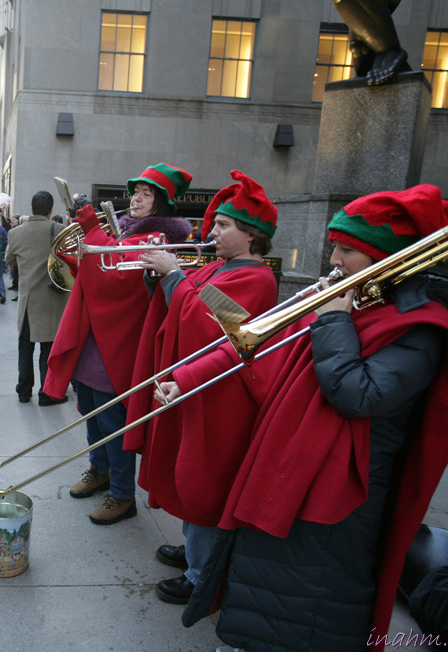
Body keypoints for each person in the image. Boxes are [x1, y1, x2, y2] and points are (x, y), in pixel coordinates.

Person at [158, 185, 448, 650]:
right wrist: (188, 376)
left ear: (387, 257)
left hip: (338, 492)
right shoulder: (353, 300)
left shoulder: (420, 327)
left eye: (345, 250)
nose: (333, 260)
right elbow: (257, 345)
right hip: (291, 464)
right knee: (270, 585)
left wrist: (332, 322)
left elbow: (358, 396)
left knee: (310, 599)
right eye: (334, 247)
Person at [125, 170, 280, 604]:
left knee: (205, 481)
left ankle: (202, 576)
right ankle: (195, 548)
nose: (211, 231)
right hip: (195, 389)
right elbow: (185, 301)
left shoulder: (258, 277)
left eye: (222, 226)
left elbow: (225, 324)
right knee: (186, 473)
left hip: (220, 399)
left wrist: (173, 275)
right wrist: (159, 274)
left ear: (251, 236)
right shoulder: (220, 266)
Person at [43, 163, 193, 525]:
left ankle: (122, 494)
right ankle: (100, 469)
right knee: (92, 413)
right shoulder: (123, 231)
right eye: (136, 192)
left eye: (146, 194)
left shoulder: (158, 239)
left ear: (162, 203)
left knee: (113, 420)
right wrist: (77, 248)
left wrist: (91, 227)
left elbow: (113, 275)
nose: (136, 199)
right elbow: (93, 270)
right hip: (96, 338)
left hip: (120, 345)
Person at [5, 191, 69, 404]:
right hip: (52, 300)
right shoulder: (59, 231)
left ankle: (24, 391)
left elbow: (9, 259)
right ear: (51, 211)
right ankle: (46, 393)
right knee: (47, 350)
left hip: (27, 301)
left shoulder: (16, 233)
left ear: (31, 209)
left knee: (25, 347)